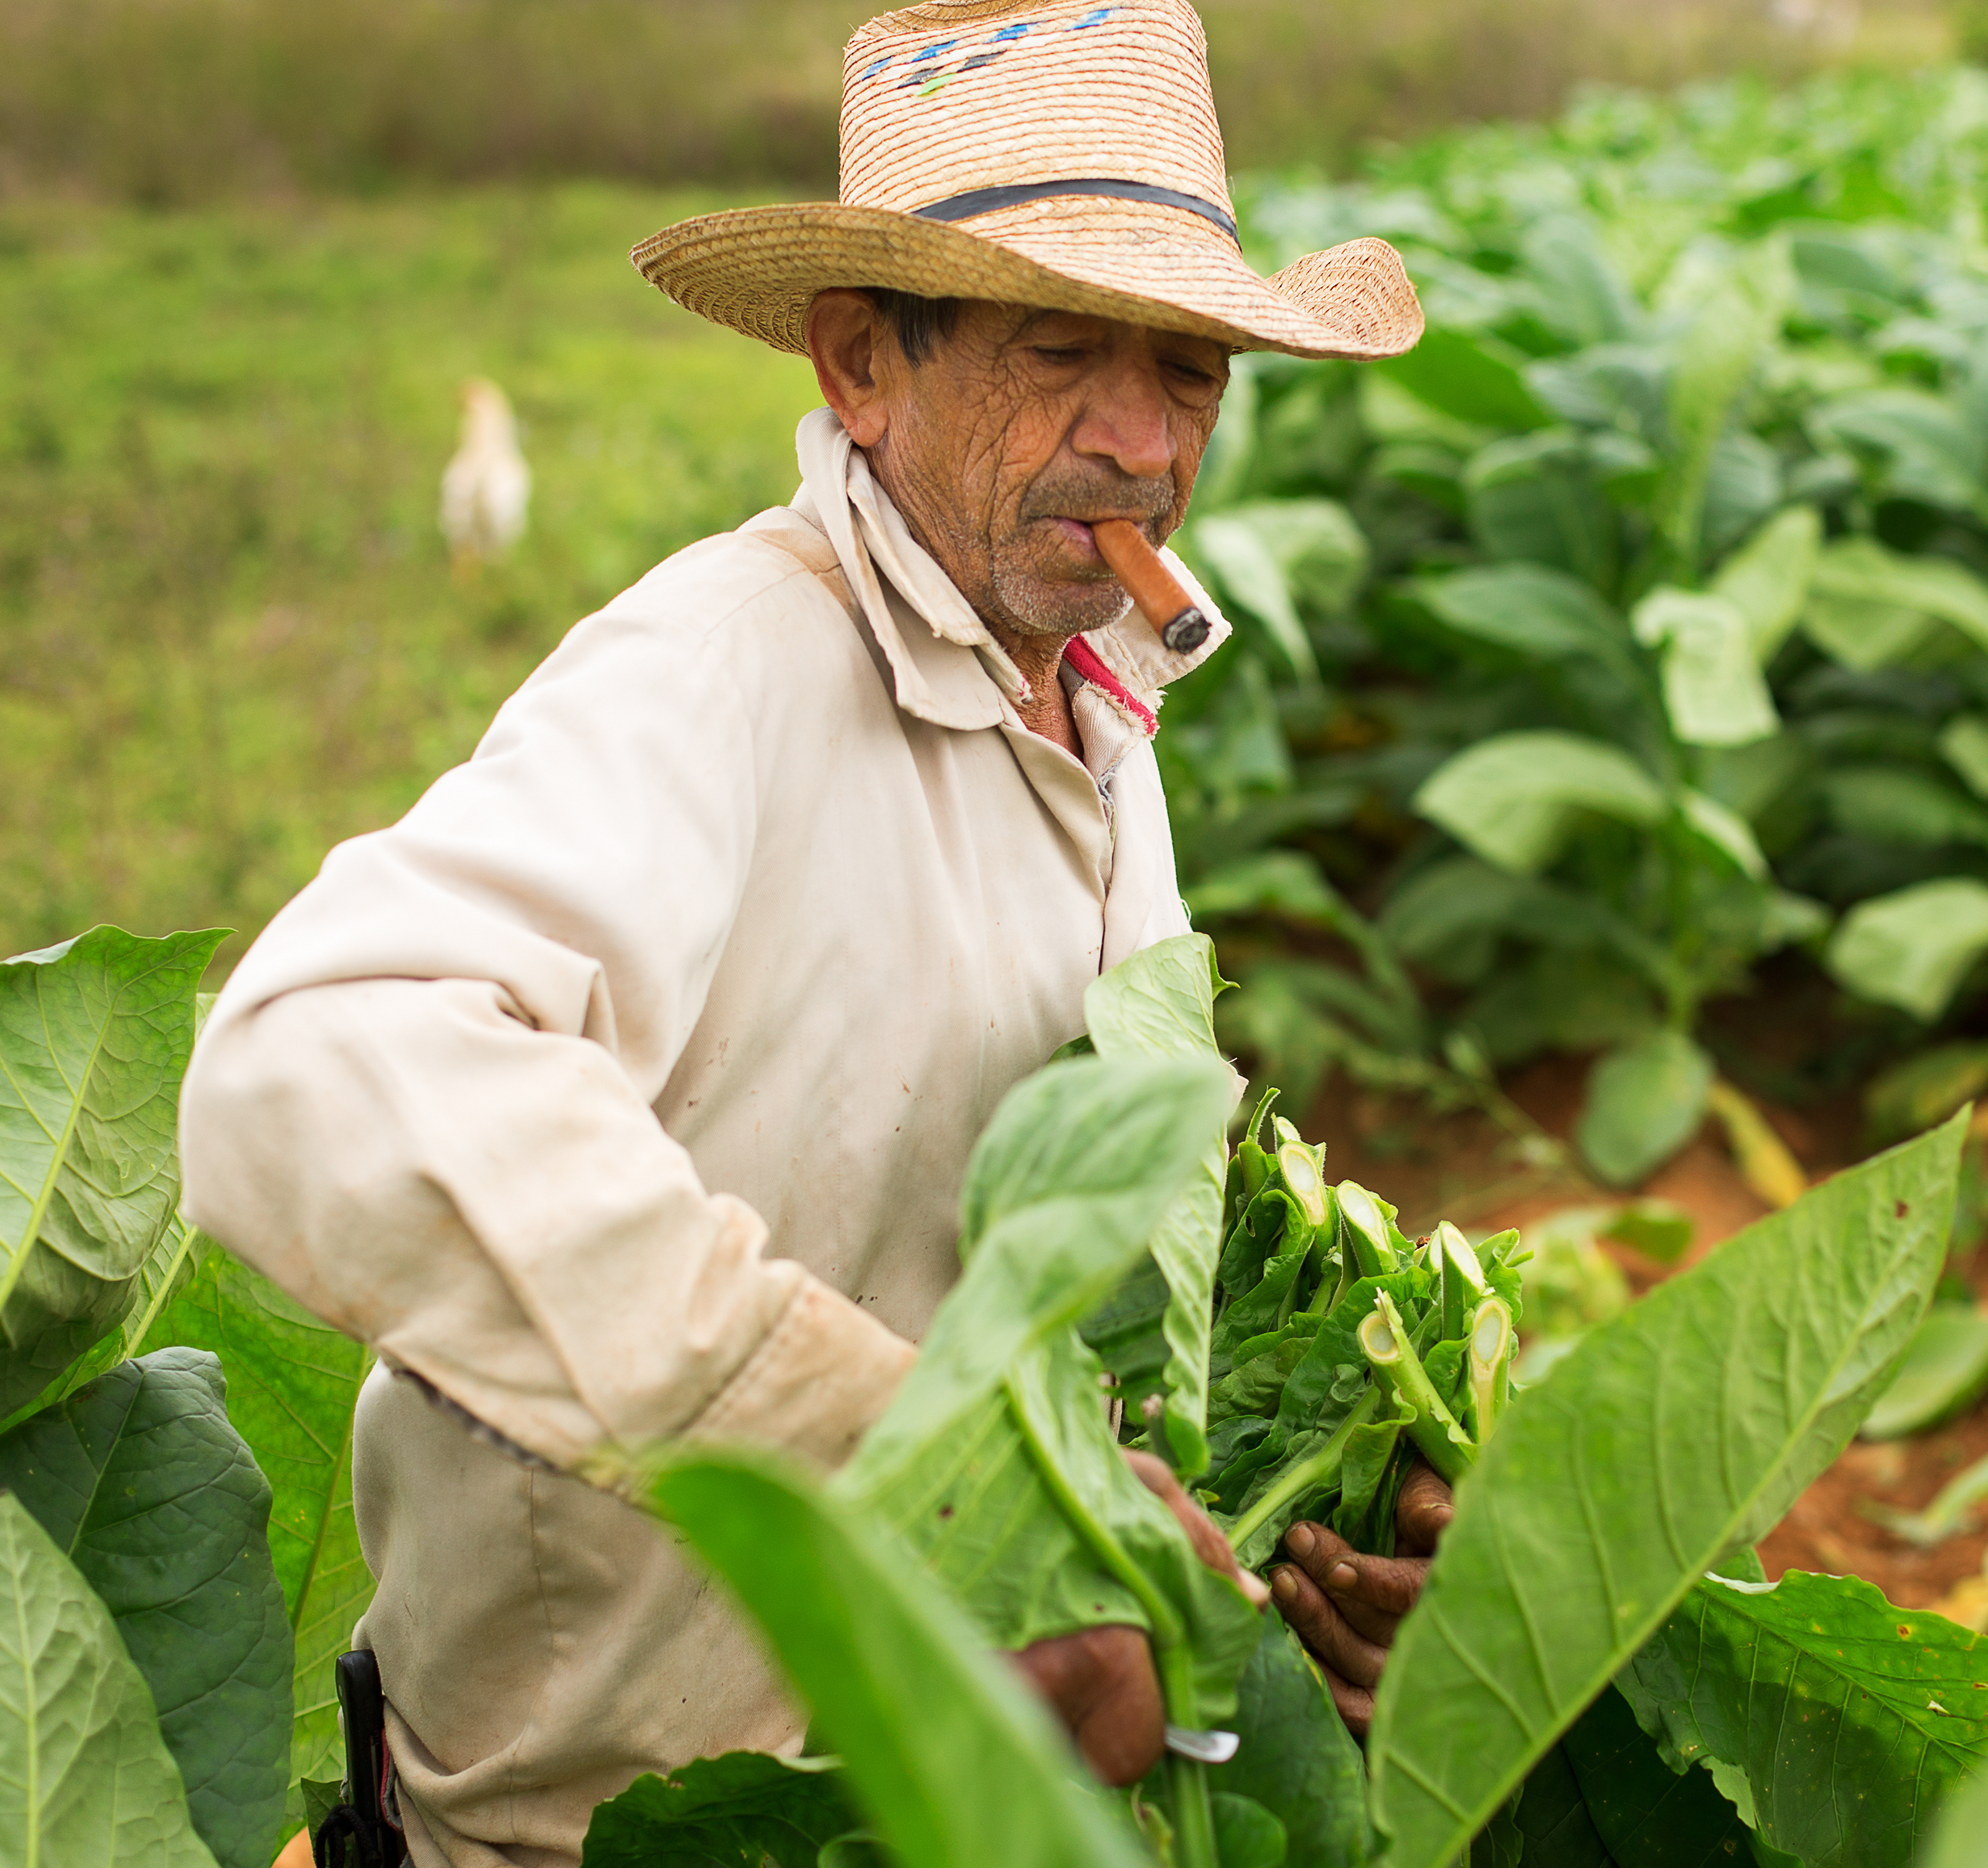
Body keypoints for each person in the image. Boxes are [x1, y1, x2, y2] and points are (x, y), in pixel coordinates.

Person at [176, 4, 1427, 1862]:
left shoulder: (1093, 710)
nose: (1141, 441)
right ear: (861, 364)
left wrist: (1322, 1536)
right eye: (1060, 352)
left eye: (1189, 370)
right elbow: (308, 1068)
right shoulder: (721, 672)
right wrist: (910, 1464)